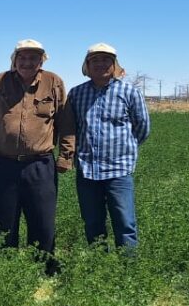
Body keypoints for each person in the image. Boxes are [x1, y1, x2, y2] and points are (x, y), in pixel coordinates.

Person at [0, 39, 75, 274]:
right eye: (22, 57)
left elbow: (66, 121)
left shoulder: (53, 82)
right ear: (15, 59)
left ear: (41, 60)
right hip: (5, 163)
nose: (27, 62)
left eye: (33, 58)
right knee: (3, 220)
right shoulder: (1, 81)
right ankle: (6, 270)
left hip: (40, 164)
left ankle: (43, 268)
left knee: (42, 220)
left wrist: (66, 156)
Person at [60, 43, 150, 256]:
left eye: (106, 60)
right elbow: (71, 128)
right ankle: (99, 265)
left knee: (125, 223)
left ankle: (128, 269)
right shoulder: (76, 94)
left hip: (119, 171)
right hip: (87, 171)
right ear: (87, 66)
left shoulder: (129, 92)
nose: (100, 64)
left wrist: (124, 151)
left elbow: (142, 127)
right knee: (92, 223)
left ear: (114, 65)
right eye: (95, 60)